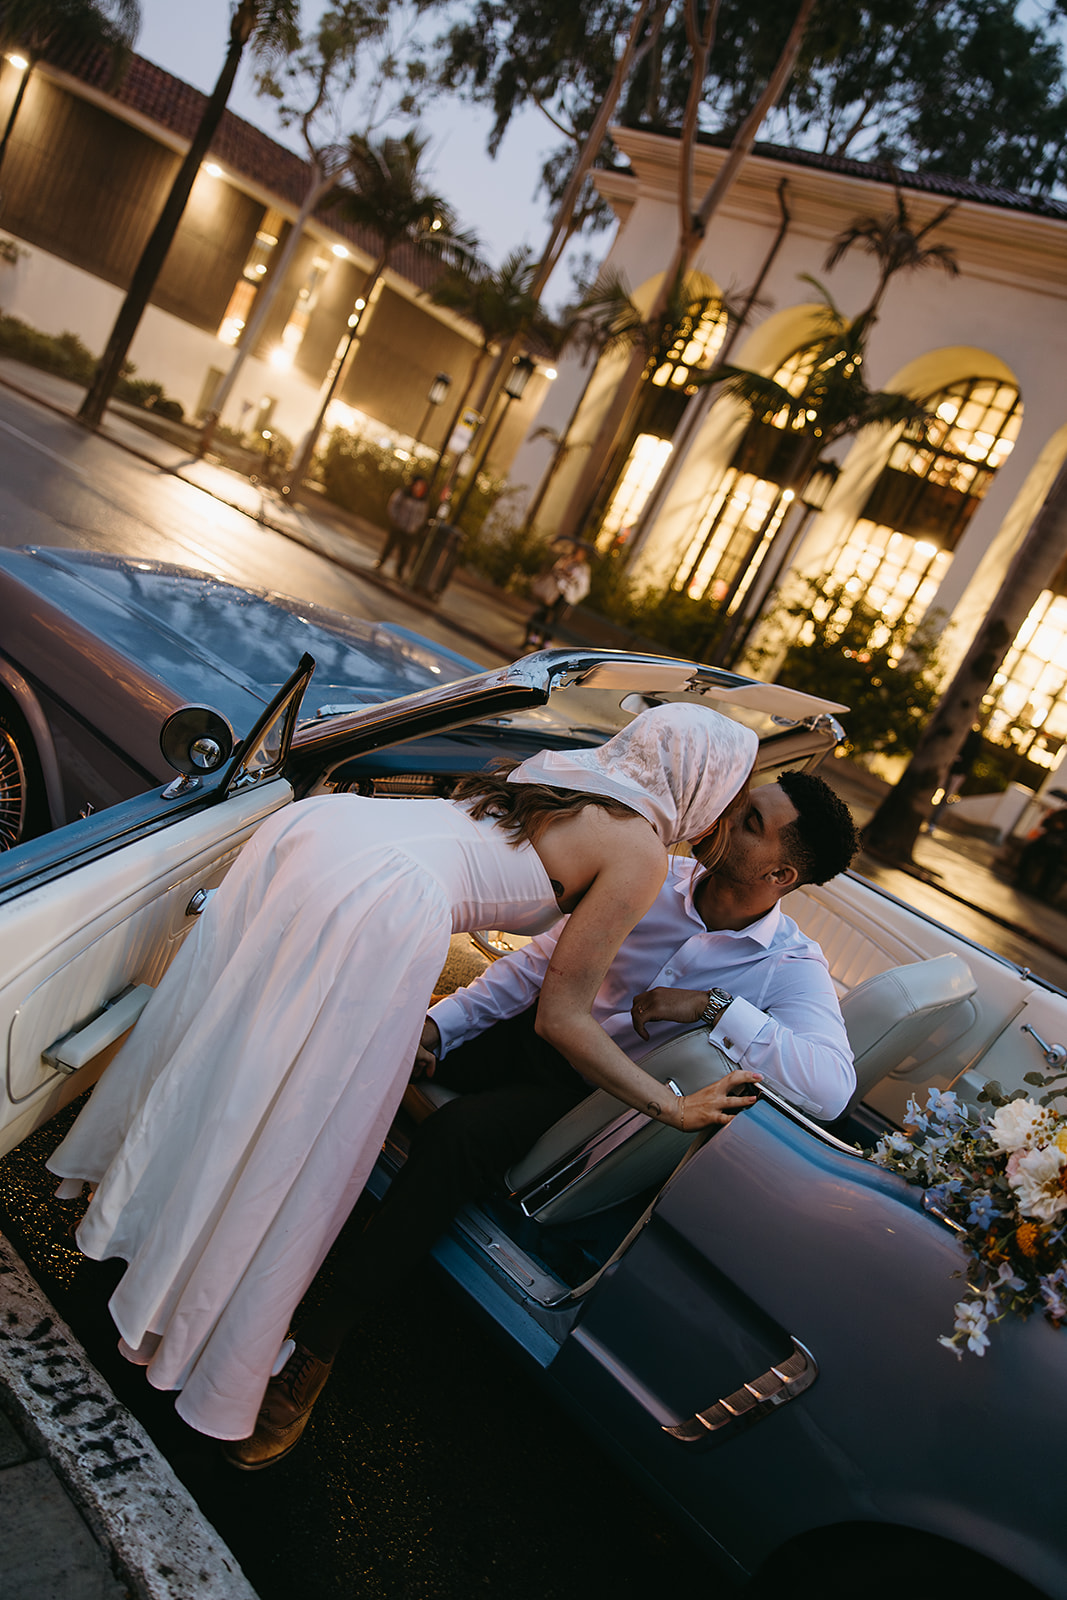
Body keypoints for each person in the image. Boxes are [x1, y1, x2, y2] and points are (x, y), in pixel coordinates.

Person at [47, 703, 757, 1448]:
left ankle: (137, 1229)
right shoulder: (641, 851)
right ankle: (195, 1312)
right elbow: (563, 1016)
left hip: (323, 833)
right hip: (383, 899)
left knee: (235, 1065)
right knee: (300, 1127)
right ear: (698, 784)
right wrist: (667, 1107)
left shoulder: (563, 772)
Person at [223, 768, 859, 1470]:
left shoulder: (787, 964)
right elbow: (536, 970)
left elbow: (829, 1087)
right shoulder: (654, 873)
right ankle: (229, 1213)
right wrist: (436, 1030)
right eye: (737, 802)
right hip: (531, 1030)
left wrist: (711, 1008)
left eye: (748, 820)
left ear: (780, 871)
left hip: (589, 1093)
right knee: (366, 1030)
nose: (724, 814)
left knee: (456, 1138)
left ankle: (317, 1343)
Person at [523, 541, 593, 649]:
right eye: (576, 551)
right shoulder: (566, 560)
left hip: (566, 596)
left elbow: (583, 586)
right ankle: (534, 638)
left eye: (580, 552)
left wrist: (572, 582)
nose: (577, 554)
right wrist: (565, 566)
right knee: (542, 613)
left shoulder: (584, 569)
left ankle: (546, 643)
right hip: (553, 592)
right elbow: (555, 570)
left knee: (555, 620)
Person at [377, 475, 431, 579]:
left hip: (410, 530)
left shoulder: (423, 501)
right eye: (418, 485)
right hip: (398, 525)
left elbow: (422, 516)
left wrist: (415, 526)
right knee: (390, 545)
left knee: (405, 552)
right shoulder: (403, 494)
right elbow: (393, 505)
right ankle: (381, 562)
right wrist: (395, 518)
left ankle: (399, 572)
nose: (419, 488)